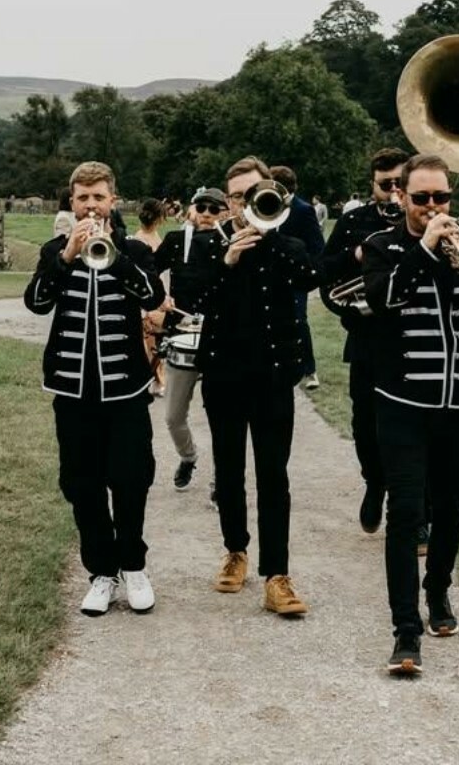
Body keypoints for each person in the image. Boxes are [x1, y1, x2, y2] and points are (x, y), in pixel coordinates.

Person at [362, 153, 459, 674]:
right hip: (403, 402)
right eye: (422, 197)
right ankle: (405, 630)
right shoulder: (383, 247)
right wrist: (425, 250)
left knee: (451, 506)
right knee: (407, 513)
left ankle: (439, 591)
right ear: (401, 196)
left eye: (441, 196)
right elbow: (384, 299)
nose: (433, 206)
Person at [24, 161, 165, 617]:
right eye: (82, 197)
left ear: (112, 201)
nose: (90, 205)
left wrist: (117, 257)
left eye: (98, 197)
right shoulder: (54, 250)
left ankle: (134, 565)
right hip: (72, 393)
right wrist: (66, 257)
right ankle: (102, 573)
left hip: (125, 393)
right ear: (72, 201)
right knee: (81, 485)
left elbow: (152, 297)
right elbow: (36, 303)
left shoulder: (134, 250)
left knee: (131, 479)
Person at [192, 155, 320, 615]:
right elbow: (193, 298)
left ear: (270, 193)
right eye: (236, 196)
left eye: (253, 194)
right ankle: (235, 550)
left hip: (272, 377)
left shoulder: (288, 244)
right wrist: (228, 259)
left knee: (273, 475)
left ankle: (277, 576)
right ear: (228, 202)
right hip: (223, 375)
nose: (244, 203)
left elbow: (311, 277)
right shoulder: (208, 245)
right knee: (228, 471)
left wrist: (270, 236)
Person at [320, 147, 409, 535]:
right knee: (365, 423)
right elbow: (324, 274)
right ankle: (375, 484)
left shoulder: (423, 219)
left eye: (399, 183)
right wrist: (355, 255)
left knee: (412, 427)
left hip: (413, 338)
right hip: (367, 339)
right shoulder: (354, 221)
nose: (392, 191)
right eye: (384, 184)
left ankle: (414, 511)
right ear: (372, 185)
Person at [153, 187, 228, 495]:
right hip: (182, 334)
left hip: (222, 339)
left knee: (223, 418)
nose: (207, 213)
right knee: (173, 417)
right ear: (191, 209)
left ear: (225, 212)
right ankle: (188, 457)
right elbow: (150, 270)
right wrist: (160, 297)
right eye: (202, 207)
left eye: (215, 208)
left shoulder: (231, 242)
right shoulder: (175, 240)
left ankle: (222, 478)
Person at [270, 165, 325, 390]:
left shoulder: (303, 210)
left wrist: (305, 273)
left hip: (294, 278)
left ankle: (309, 370)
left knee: (298, 321)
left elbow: (317, 247)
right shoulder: (268, 206)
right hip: (270, 275)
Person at [134, 198, 168, 398]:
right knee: (150, 340)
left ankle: (157, 378)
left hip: (160, 292)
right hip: (148, 295)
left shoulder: (154, 236)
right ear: (159, 218)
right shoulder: (139, 240)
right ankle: (154, 378)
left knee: (158, 339)